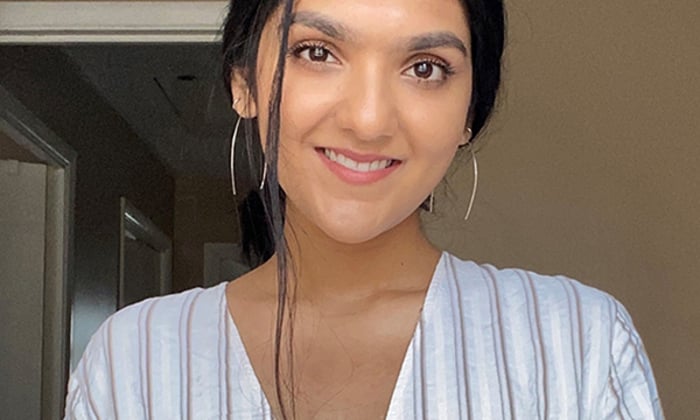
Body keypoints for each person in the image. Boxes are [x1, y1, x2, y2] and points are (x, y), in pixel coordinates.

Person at [64, 0, 664, 418]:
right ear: (243, 81)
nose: (369, 119)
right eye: (317, 52)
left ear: (468, 113)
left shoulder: (578, 345)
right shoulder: (133, 360)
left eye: (425, 68)